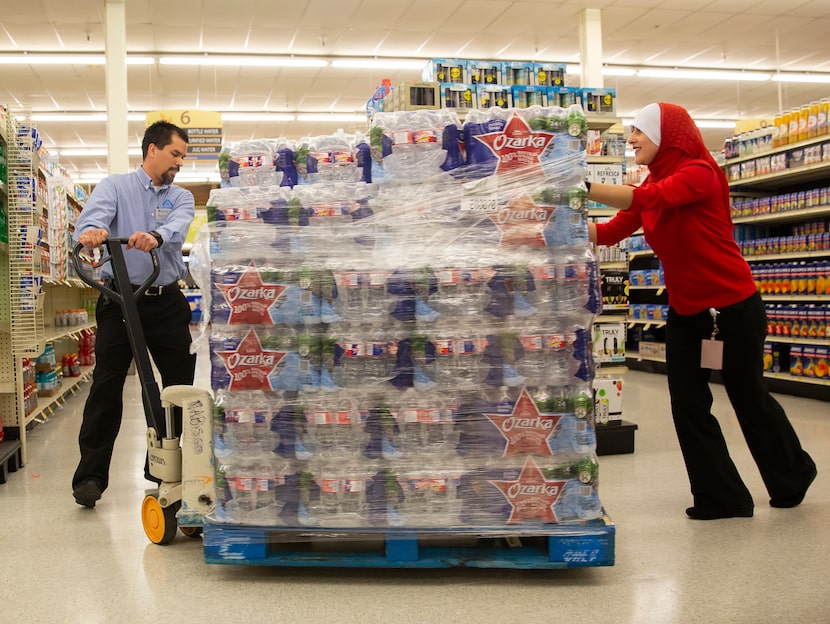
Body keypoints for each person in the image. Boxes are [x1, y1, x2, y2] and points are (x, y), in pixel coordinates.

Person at [587, 102, 817, 520]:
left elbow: (653, 197)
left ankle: (793, 473)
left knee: (748, 397)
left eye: (639, 131)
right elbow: (609, 232)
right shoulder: (652, 182)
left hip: (731, 308)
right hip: (687, 313)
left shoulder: (699, 173)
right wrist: (547, 221)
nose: (631, 140)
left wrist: (583, 186)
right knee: (688, 405)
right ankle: (721, 496)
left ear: (667, 135)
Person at [72, 121, 197, 508]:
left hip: (165, 302)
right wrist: (92, 232)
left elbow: (176, 227)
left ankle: (164, 471)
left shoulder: (182, 197)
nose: (179, 163)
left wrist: (155, 236)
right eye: (175, 154)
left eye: (183, 157)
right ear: (153, 149)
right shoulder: (115, 187)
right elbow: (92, 218)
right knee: (107, 387)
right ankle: (90, 478)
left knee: (177, 387)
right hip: (118, 302)